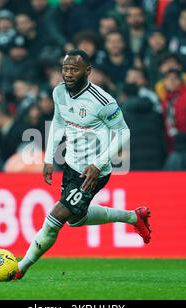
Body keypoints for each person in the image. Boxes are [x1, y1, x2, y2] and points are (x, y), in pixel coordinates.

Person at [13, 50, 151, 280]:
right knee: (76, 220)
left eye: (74, 69)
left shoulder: (103, 101)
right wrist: (48, 158)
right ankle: (134, 217)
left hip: (94, 171)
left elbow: (124, 133)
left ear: (87, 71)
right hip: (71, 165)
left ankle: (20, 268)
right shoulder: (59, 92)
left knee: (56, 217)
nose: (68, 73)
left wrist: (98, 164)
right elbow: (58, 122)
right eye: (65, 68)